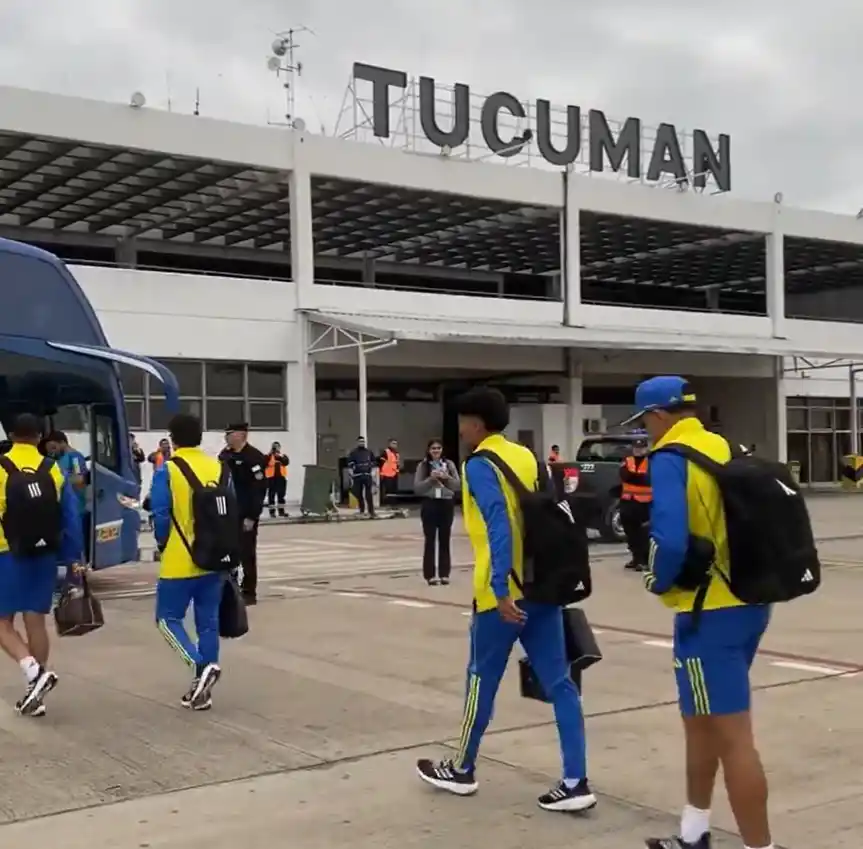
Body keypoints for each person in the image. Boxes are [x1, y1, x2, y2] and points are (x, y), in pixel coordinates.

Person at [415, 387, 594, 813]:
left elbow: (500, 527)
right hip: (542, 588)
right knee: (561, 683)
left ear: (477, 424)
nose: (459, 429)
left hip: (502, 596)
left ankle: (461, 768)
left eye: (462, 422)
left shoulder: (478, 464)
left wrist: (499, 590)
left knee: (480, 680)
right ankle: (576, 780)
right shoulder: (527, 457)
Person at [621, 376, 773, 849]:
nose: (645, 431)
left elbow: (667, 540)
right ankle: (693, 831)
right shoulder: (723, 446)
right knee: (700, 722)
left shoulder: (670, 458)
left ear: (660, 415)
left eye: (645, 422)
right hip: (749, 601)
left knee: (733, 736)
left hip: (709, 615)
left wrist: (655, 579)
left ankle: (760, 846)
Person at [0, 413, 84, 717]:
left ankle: (34, 673)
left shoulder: (0, 468)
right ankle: (36, 692)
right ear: (40, 438)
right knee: (35, 621)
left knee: (2, 623)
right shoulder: (53, 470)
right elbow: (70, 519)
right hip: (45, 553)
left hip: (7, 554)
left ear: (11, 436)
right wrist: (74, 558)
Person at [150, 413, 229, 711]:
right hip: (216, 559)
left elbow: (160, 514)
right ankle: (202, 693)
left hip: (179, 561)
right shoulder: (219, 467)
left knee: (167, 620)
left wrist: (162, 543)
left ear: (173, 438)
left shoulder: (169, 469)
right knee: (208, 623)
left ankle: (199, 668)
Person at [218, 423, 267, 605]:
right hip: (227, 512)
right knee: (229, 552)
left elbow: (258, 489)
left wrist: (252, 516)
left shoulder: (254, 457)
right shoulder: (225, 455)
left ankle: (249, 591)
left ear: (242, 435)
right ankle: (231, 588)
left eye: (230, 434)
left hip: (245, 513)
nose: (227, 437)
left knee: (247, 553)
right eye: (226, 434)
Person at [414, 438, 459, 586]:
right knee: (430, 539)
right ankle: (430, 575)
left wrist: (447, 478)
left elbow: (458, 485)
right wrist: (430, 479)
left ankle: (444, 573)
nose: (436, 451)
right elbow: (418, 488)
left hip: (446, 502)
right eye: (433, 449)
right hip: (430, 503)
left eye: (438, 448)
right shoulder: (423, 466)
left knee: (445, 539)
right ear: (428, 450)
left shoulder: (449, 464)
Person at [44, 431, 91, 565]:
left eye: (53, 448)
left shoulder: (74, 458)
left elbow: (79, 478)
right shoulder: (58, 459)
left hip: (77, 506)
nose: (52, 452)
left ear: (62, 443)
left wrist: (58, 481)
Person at [619, 437, 652, 572]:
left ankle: (644, 560)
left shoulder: (651, 461)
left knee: (643, 534)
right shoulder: (627, 460)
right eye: (636, 448)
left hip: (645, 504)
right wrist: (637, 477)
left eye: (641, 448)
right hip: (628, 502)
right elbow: (624, 476)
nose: (638, 450)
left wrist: (634, 477)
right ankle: (635, 558)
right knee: (630, 533)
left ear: (646, 448)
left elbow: (647, 480)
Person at [347, 436, 377, 518]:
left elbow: (374, 463)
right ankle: (362, 510)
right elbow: (349, 465)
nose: (362, 443)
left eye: (363, 441)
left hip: (367, 475)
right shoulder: (353, 453)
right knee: (358, 493)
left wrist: (373, 474)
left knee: (369, 495)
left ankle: (371, 511)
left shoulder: (369, 452)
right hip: (357, 476)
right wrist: (351, 474)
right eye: (360, 441)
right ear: (357, 442)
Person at [265, 441, 290, 518]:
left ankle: (281, 512)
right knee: (271, 495)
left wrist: (280, 456)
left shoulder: (283, 455)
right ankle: (272, 512)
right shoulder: (268, 456)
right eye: (275, 447)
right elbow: (265, 463)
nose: (276, 448)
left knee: (281, 495)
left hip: (281, 478)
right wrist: (271, 454)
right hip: (271, 478)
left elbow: (286, 462)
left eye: (277, 447)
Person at [378, 438, 401, 507]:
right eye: (393, 443)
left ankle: (393, 504)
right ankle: (388, 504)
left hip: (394, 474)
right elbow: (381, 463)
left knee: (394, 491)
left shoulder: (397, 454)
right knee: (388, 490)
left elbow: (397, 464)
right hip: (387, 474)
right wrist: (381, 473)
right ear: (389, 444)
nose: (394, 445)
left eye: (396, 444)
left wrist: (397, 472)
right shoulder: (386, 452)